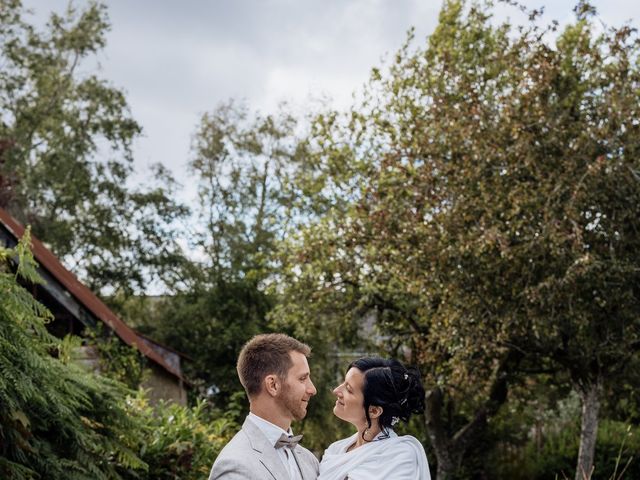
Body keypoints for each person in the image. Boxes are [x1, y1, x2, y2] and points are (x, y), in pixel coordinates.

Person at [208, 333, 320, 480]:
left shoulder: (309, 460)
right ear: (273, 385)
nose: (312, 389)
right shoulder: (234, 465)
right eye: (302, 378)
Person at [318, 357, 431, 480]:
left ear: (374, 411)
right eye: (343, 383)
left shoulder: (399, 456)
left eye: (349, 390)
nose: (336, 390)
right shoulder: (336, 450)